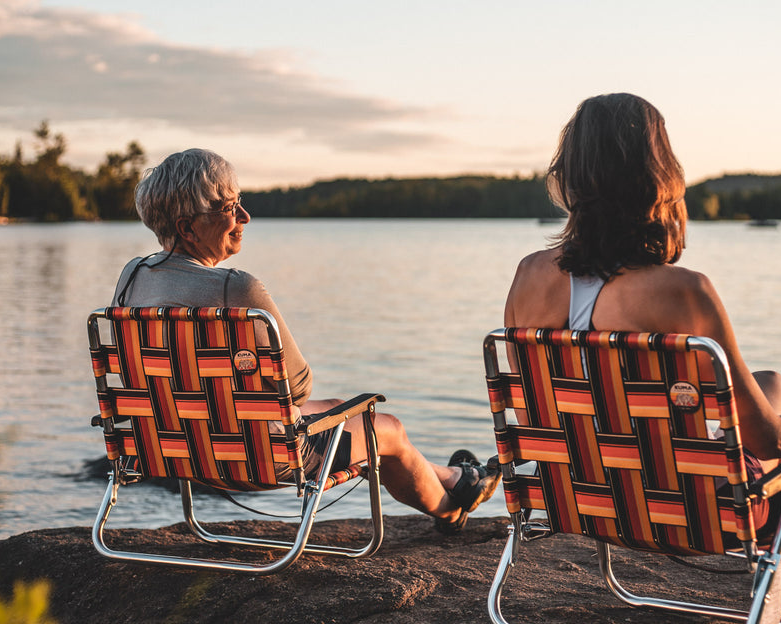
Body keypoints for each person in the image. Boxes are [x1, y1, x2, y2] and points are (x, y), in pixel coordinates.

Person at [504, 93, 781, 624]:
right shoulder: (684, 292)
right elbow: (768, 441)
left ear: (571, 175)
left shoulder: (529, 276)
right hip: (693, 514)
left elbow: (540, 411)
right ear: (661, 176)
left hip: (579, 499)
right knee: (769, 420)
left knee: (766, 381)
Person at [113, 148, 499, 534]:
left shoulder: (133, 276)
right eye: (230, 208)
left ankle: (456, 479)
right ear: (187, 228)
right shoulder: (236, 288)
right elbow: (298, 387)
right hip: (254, 456)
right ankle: (450, 509)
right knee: (388, 430)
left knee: (339, 409)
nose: (245, 217)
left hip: (167, 449)